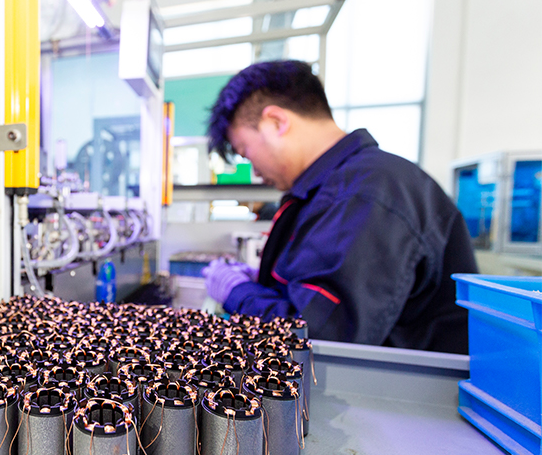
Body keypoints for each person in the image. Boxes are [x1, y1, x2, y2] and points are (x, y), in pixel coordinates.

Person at [203, 60, 477, 354]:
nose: (255, 172)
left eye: (245, 151)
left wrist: (239, 293)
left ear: (276, 122)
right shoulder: (336, 189)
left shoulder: (367, 193)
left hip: (398, 381)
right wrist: (261, 282)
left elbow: (318, 337)